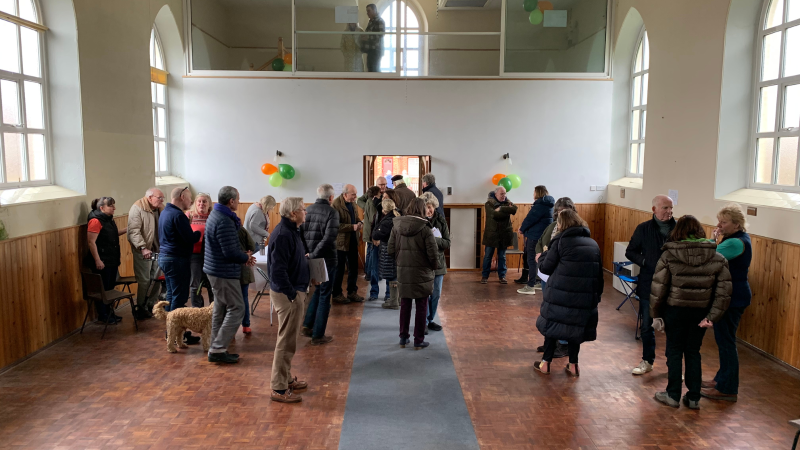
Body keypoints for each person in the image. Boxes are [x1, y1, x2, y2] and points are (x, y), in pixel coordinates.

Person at [650, 215, 732, 409]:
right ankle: (694, 397)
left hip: (674, 311)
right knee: (693, 352)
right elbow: (724, 293)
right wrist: (713, 316)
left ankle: (672, 395)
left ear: (677, 232)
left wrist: (655, 314)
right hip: (701, 313)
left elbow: (659, 288)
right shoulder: (718, 257)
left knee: (675, 351)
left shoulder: (668, 255)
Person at [533, 210, 603, 376]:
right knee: (575, 330)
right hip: (585, 296)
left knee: (552, 327)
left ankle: (546, 363)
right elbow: (599, 274)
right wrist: (596, 296)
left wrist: (540, 257)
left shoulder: (561, 242)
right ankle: (573, 365)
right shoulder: (593, 244)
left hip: (560, 294)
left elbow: (546, 267)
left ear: (561, 224)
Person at [701, 203, 752, 403]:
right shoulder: (734, 239)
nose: (719, 224)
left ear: (737, 224)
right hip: (731, 295)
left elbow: (708, 256)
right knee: (723, 340)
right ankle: (721, 379)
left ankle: (728, 388)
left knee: (726, 342)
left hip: (734, 297)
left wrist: (713, 240)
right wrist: (714, 238)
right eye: (719, 220)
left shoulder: (736, 242)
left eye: (724, 222)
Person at [626, 194, 676, 375]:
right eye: (665, 208)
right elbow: (630, 252)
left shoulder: (679, 230)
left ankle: (674, 366)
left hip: (673, 287)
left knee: (673, 328)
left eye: (671, 208)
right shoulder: (643, 229)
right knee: (647, 325)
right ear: (654, 209)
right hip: (649, 284)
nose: (669, 211)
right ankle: (647, 361)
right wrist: (646, 261)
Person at [204, 186, 255, 364]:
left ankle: (215, 347)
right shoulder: (224, 220)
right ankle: (218, 348)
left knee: (220, 308)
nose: (239, 201)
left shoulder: (216, 215)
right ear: (231, 201)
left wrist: (242, 257)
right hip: (223, 272)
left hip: (216, 270)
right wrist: (245, 257)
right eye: (238, 199)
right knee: (237, 308)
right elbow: (229, 252)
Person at [268, 197, 311, 403]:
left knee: (290, 340)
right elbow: (277, 272)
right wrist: (293, 294)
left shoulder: (292, 231)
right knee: (285, 342)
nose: (306, 212)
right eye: (303, 210)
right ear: (293, 213)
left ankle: (285, 379)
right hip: (288, 295)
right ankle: (278, 388)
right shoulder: (284, 234)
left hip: (294, 290)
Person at [389, 198, 439, 350]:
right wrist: (433, 267)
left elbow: (390, 250)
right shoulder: (425, 228)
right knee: (421, 305)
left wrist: (401, 261)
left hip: (403, 271)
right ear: (422, 210)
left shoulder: (396, 226)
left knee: (405, 304)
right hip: (422, 272)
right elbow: (433, 254)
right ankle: (418, 340)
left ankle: (403, 338)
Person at [159, 187, 202, 345]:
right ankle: (174, 333)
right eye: (190, 198)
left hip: (166, 258)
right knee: (179, 297)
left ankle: (173, 332)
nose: (191, 202)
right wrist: (198, 233)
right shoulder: (178, 215)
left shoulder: (165, 212)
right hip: (176, 260)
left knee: (171, 296)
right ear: (182, 197)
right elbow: (190, 238)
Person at [534, 197, 576, 358]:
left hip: (562, 276)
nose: (560, 215)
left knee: (562, 312)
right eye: (558, 211)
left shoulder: (573, 230)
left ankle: (563, 344)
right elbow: (540, 242)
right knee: (549, 309)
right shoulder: (552, 226)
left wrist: (546, 258)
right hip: (547, 274)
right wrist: (539, 254)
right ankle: (550, 342)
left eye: (564, 211)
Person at [301, 184, 340, 345]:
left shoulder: (307, 210)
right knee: (325, 294)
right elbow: (329, 238)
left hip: (310, 256)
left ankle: (308, 324)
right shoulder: (332, 212)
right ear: (331, 198)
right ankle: (318, 335)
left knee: (318, 290)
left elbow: (300, 233)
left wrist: (308, 253)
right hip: (326, 259)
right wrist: (315, 254)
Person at [86, 196, 127, 323]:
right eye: (111, 206)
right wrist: (98, 260)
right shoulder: (95, 221)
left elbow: (112, 234)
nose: (114, 208)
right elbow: (91, 242)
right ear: (102, 208)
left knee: (110, 287)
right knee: (103, 289)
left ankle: (110, 313)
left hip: (111, 259)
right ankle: (103, 315)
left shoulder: (108, 219)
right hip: (103, 260)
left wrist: (126, 229)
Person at [127, 188, 164, 319]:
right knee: (144, 280)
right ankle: (141, 307)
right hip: (143, 250)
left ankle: (151, 305)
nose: (162, 200)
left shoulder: (160, 208)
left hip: (157, 249)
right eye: (159, 198)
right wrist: (142, 247)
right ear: (150, 197)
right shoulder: (137, 208)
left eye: (162, 198)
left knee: (157, 279)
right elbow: (133, 231)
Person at [420, 192, 450, 333]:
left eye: (430, 206)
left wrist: (434, 239)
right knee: (424, 293)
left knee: (436, 293)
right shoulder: (418, 222)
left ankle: (430, 319)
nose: (429, 210)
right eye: (426, 207)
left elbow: (447, 243)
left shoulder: (441, 221)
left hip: (438, 263)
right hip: (423, 263)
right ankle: (424, 321)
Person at [516, 186, 554, 294]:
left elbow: (530, 219)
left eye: (534, 192)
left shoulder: (539, 205)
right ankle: (537, 281)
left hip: (534, 236)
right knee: (539, 259)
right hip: (543, 236)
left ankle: (530, 286)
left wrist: (522, 229)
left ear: (537, 193)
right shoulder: (549, 204)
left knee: (531, 260)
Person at [332, 184, 364, 304]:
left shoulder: (353, 203)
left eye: (355, 194)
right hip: (340, 243)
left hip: (352, 241)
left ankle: (352, 292)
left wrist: (359, 222)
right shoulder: (335, 205)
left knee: (353, 269)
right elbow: (335, 226)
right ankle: (336, 294)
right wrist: (352, 227)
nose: (355, 197)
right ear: (345, 194)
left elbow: (355, 217)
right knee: (339, 270)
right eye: (353, 194)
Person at [481, 186, 517, 284]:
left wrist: (501, 208)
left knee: (502, 256)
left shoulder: (507, 202)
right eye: (501, 194)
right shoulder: (489, 203)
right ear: (496, 194)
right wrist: (506, 211)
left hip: (504, 235)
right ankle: (485, 276)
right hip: (491, 234)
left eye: (505, 193)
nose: (504, 196)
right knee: (488, 256)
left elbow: (514, 209)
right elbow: (494, 215)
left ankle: (502, 276)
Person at [187, 193, 215, 307]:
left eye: (204, 201)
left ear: (209, 204)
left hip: (210, 255)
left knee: (211, 284)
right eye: (199, 201)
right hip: (194, 255)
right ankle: (197, 311)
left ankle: (214, 311)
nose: (201, 204)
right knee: (195, 284)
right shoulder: (188, 216)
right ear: (195, 203)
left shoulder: (213, 216)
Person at [373, 197, 401, 309]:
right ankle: (397, 299)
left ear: (384, 210)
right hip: (398, 249)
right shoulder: (398, 217)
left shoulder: (387, 221)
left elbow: (375, 234)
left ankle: (392, 300)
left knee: (391, 275)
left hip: (388, 250)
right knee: (396, 274)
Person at [358, 185, 385, 301]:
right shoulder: (373, 203)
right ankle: (371, 277)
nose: (383, 189)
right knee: (372, 257)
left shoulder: (373, 201)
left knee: (372, 257)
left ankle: (371, 278)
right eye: (381, 186)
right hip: (374, 235)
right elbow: (373, 219)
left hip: (373, 234)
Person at [237, 225, 257, 334]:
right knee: (244, 297)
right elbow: (252, 245)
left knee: (231, 300)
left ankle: (232, 329)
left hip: (229, 269)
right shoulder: (241, 229)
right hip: (243, 267)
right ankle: (246, 325)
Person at [361, 4, 385, 72]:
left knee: (374, 70)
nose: (367, 13)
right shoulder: (371, 21)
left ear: (374, 10)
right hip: (371, 50)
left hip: (375, 50)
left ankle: (376, 83)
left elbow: (380, 34)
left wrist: (367, 37)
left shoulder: (379, 21)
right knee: (371, 69)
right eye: (367, 11)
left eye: (369, 11)